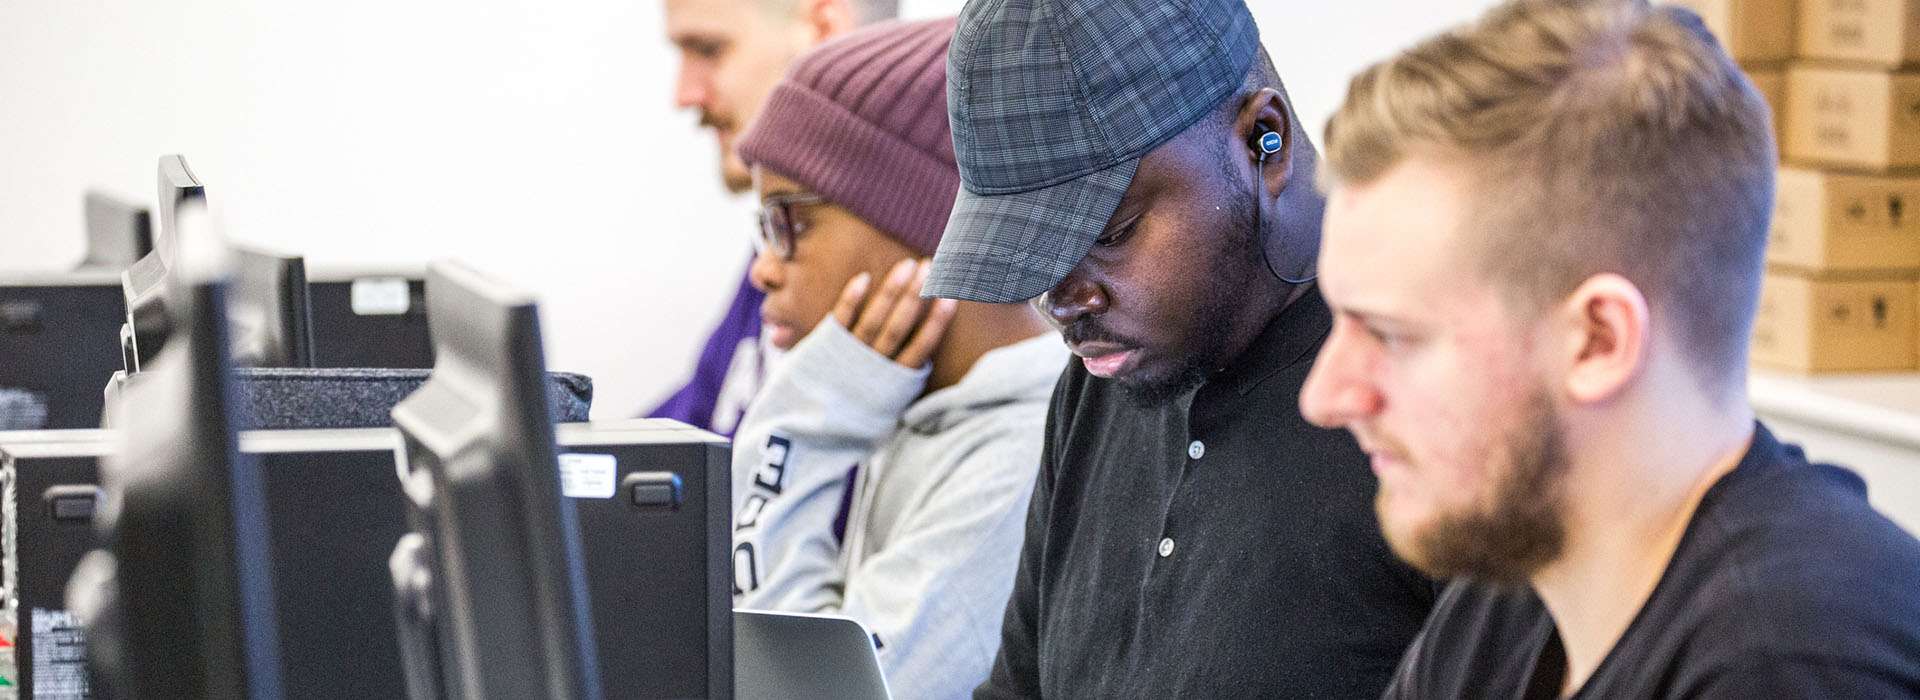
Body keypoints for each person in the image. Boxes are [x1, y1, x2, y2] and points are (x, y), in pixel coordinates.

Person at [1302, 0, 1920, 696]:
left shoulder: (1793, 662)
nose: (1324, 396)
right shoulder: (1514, 586)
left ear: (1598, 341)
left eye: (1388, 333)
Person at [921, 0, 1437, 696]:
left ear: (1264, 140)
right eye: (1035, 260)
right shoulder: (1099, 384)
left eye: (1109, 234)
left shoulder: (1429, 400)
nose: (1062, 302)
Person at [728, 17, 1064, 699]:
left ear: (931, 225)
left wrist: (797, 425)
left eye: (789, 220)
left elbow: (804, 694)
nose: (763, 268)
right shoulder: (920, 409)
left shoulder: (1016, 459)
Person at [651, 0, 899, 433]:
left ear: (823, 32)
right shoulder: (781, 242)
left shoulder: (876, 267)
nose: (684, 95)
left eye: (708, 49)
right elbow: (692, 430)